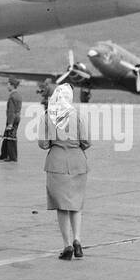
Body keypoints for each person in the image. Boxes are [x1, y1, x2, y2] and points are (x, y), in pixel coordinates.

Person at [37, 76, 91, 259]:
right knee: (76, 205)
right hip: (78, 163)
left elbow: (43, 144)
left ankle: (67, 245)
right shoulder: (77, 115)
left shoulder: (48, 116)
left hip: (56, 164)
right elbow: (86, 141)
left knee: (62, 207)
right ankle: (78, 241)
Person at [0, 77, 22, 162]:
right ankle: (3, 154)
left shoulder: (12, 96)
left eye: (8, 84)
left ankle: (12, 157)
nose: (7, 86)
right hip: (17, 117)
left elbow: (11, 111)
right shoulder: (18, 95)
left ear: (12, 85)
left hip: (12, 118)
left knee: (10, 137)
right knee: (6, 136)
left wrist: (10, 123)